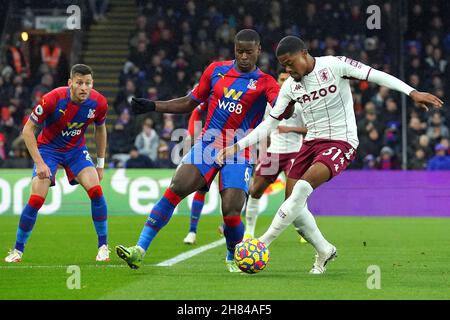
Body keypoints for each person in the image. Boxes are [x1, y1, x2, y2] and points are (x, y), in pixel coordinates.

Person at [217, 36, 443, 274]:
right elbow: (269, 125)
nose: (288, 69)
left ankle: (262, 243)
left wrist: (412, 92)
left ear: (304, 53)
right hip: (311, 142)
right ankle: (324, 250)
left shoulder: (335, 65)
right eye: (284, 65)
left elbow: (375, 75)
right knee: (294, 204)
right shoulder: (290, 86)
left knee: (302, 189)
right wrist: (236, 146)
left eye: (291, 63)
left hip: (341, 141)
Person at [115, 29, 281, 272]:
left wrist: (287, 106)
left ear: (258, 50)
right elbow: (189, 101)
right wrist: (153, 106)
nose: (244, 56)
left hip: (239, 148)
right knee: (176, 188)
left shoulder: (267, 82)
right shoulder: (216, 70)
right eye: (239, 51)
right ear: (234, 50)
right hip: (208, 144)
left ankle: (232, 255)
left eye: (249, 51)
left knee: (232, 211)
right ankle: (139, 249)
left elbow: (280, 107)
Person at [182, 73, 309, 245]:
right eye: (280, 79)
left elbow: (309, 129)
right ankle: (248, 233)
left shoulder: (298, 105)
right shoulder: (268, 105)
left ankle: (303, 231)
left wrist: (290, 130)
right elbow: (261, 128)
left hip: (294, 152)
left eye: (286, 79)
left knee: (295, 193)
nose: (283, 82)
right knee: (254, 190)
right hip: (272, 152)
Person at [4, 64, 110, 263]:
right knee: (36, 199)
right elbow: (28, 130)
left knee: (96, 191)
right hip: (48, 150)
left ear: (92, 84)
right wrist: (40, 163)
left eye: (88, 83)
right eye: (79, 83)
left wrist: (101, 163)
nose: (84, 88)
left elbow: (101, 130)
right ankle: (17, 250)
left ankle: (103, 246)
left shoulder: (99, 103)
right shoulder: (53, 98)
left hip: (76, 151)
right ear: (70, 83)